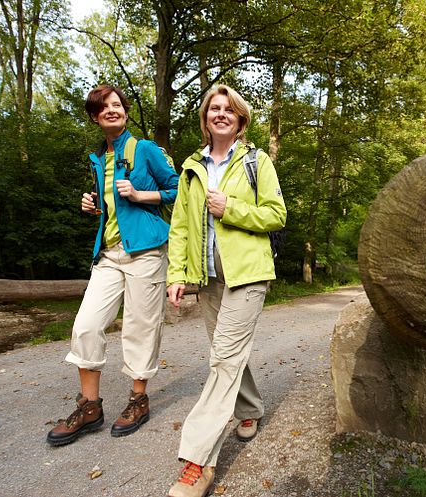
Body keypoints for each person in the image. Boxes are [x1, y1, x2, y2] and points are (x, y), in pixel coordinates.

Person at [165, 85, 287, 497]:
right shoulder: (191, 168)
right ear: (206, 119)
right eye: (213, 109)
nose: (220, 114)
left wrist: (228, 209)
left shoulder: (257, 161)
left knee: (222, 359)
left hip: (249, 274)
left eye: (228, 109)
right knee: (228, 353)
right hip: (209, 278)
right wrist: (176, 274)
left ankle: (197, 463)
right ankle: (250, 409)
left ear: (240, 119)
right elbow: (180, 227)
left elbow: (276, 214)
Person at [46, 85, 178, 446]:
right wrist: (93, 206)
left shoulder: (146, 150)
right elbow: (111, 207)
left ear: (125, 111)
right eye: (103, 107)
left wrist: (140, 195)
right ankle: (90, 407)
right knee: (85, 326)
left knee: (139, 328)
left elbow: (180, 188)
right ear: (94, 116)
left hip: (147, 251)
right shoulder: (98, 158)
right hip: (107, 254)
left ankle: (138, 399)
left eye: (117, 105)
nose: (112, 110)